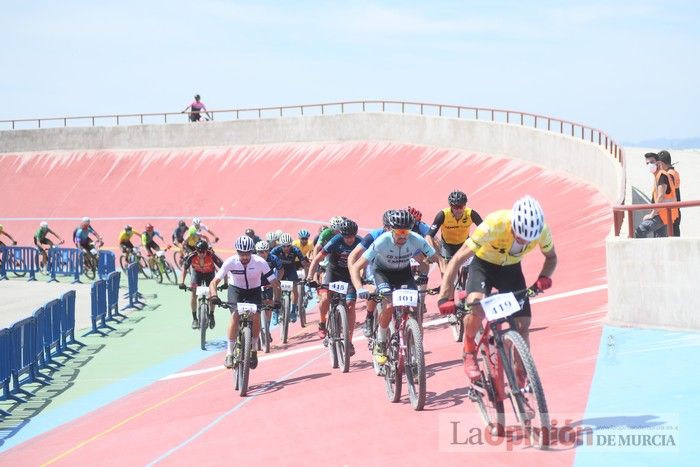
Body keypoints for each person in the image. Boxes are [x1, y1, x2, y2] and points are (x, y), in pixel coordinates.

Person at [436, 196, 557, 382]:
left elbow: (551, 258)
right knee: (476, 307)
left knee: (523, 323)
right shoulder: (495, 223)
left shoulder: (542, 231)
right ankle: (469, 349)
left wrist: (544, 276)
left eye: (528, 239)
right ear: (513, 224)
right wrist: (445, 297)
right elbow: (458, 258)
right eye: (520, 235)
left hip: (511, 270)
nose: (523, 241)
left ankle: (522, 376)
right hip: (483, 266)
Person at [351, 210, 439, 365]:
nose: (403, 236)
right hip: (382, 273)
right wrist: (359, 288)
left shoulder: (416, 239)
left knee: (416, 306)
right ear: (391, 230)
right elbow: (356, 266)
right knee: (389, 305)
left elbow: (432, 259)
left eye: (406, 232)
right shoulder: (381, 241)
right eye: (399, 232)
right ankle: (381, 342)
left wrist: (435, 269)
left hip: (404, 273)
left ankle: (413, 346)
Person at [209, 236, 281, 370]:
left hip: (254, 291)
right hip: (236, 290)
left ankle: (253, 349)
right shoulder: (231, 262)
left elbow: (275, 283)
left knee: (256, 316)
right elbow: (213, 282)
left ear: (251, 252)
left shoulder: (260, 262)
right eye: (241, 253)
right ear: (237, 252)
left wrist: (277, 300)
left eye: (247, 253)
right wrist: (214, 296)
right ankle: (229, 353)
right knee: (235, 315)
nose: (245, 257)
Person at [306, 219, 362, 356]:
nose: (349, 239)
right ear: (341, 235)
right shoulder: (336, 240)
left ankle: (349, 341)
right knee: (325, 297)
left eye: (352, 236)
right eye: (346, 237)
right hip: (333, 273)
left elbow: (365, 260)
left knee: (350, 304)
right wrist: (310, 277)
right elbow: (317, 258)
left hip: (350, 275)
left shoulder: (359, 242)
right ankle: (322, 322)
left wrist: (362, 276)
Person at [347, 209, 394, 337]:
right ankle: (369, 317)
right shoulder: (374, 235)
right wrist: (355, 277)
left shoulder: (402, 235)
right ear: (385, 226)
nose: (393, 230)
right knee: (374, 289)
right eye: (390, 227)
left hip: (393, 267)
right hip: (374, 266)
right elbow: (354, 255)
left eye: (396, 227)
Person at [426, 190, 483, 274]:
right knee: (446, 272)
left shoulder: (471, 214)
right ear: (450, 206)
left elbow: (485, 230)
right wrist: (432, 252)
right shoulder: (443, 215)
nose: (458, 210)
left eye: (461, 207)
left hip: (464, 244)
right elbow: (429, 236)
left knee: (474, 267)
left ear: (465, 205)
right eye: (455, 207)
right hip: (447, 245)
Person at [179, 239, 223, 329]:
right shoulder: (191, 256)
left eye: (204, 251)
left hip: (209, 274)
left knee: (212, 294)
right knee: (194, 293)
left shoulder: (211, 255)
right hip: (197, 274)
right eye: (199, 251)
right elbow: (184, 268)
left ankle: (211, 314)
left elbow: (223, 268)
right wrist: (181, 282)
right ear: (196, 250)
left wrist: (225, 283)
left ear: (207, 250)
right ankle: (195, 318)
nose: (202, 253)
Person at [635, 153, 678, 238]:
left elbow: (661, 196)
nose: (649, 165)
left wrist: (652, 214)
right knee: (660, 240)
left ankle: (644, 251)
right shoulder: (658, 176)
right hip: (664, 213)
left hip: (663, 213)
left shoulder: (661, 175)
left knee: (641, 230)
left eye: (652, 162)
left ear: (658, 163)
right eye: (647, 163)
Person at [270, 233, 310, 324]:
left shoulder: (296, 250)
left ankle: (293, 310)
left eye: (288, 246)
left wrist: (307, 276)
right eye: (284, 246)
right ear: (281, 245)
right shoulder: (275, 250)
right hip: (280, 269)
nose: (286, 248)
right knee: (276, 288)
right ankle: (275, 311)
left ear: (291, 244)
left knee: (294, 289)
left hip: (291, 269)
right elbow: (268, 261)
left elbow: (304, 264)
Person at [255, 240, 283, 341]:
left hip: (268, 284)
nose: (264, 254)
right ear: (256, 252)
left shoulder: (273, 258)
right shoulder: (252, 259)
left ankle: (267, 329)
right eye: (261, 252)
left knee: (269, 305)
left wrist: (277, 281)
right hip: (255, 285)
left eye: (266, 251)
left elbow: (281, 270)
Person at [658, 150, 681, 237]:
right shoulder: (675, 173)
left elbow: (663, 194)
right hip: (676, 211)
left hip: (670, 212)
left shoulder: (668, 175)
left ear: (662, 163)